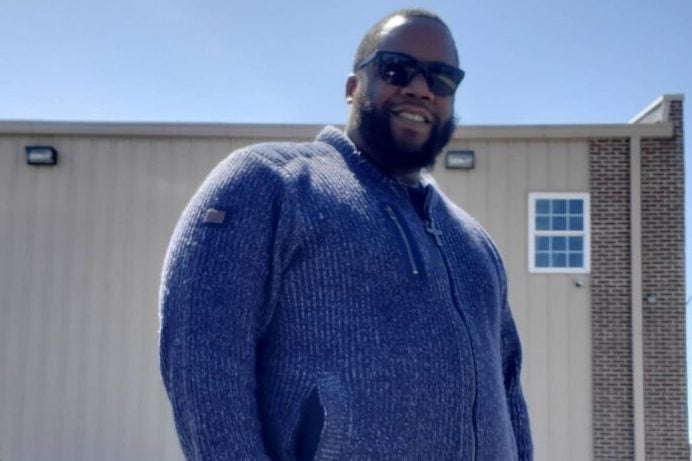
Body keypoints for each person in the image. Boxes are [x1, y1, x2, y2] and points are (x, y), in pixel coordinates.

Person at [159, 9, 532, 461]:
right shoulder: (270, 182)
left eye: (441, 79)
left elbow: (509, 387)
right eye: (396, 69)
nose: (419, 88)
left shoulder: (475, 242)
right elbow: (202, 363)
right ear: (353, 87)